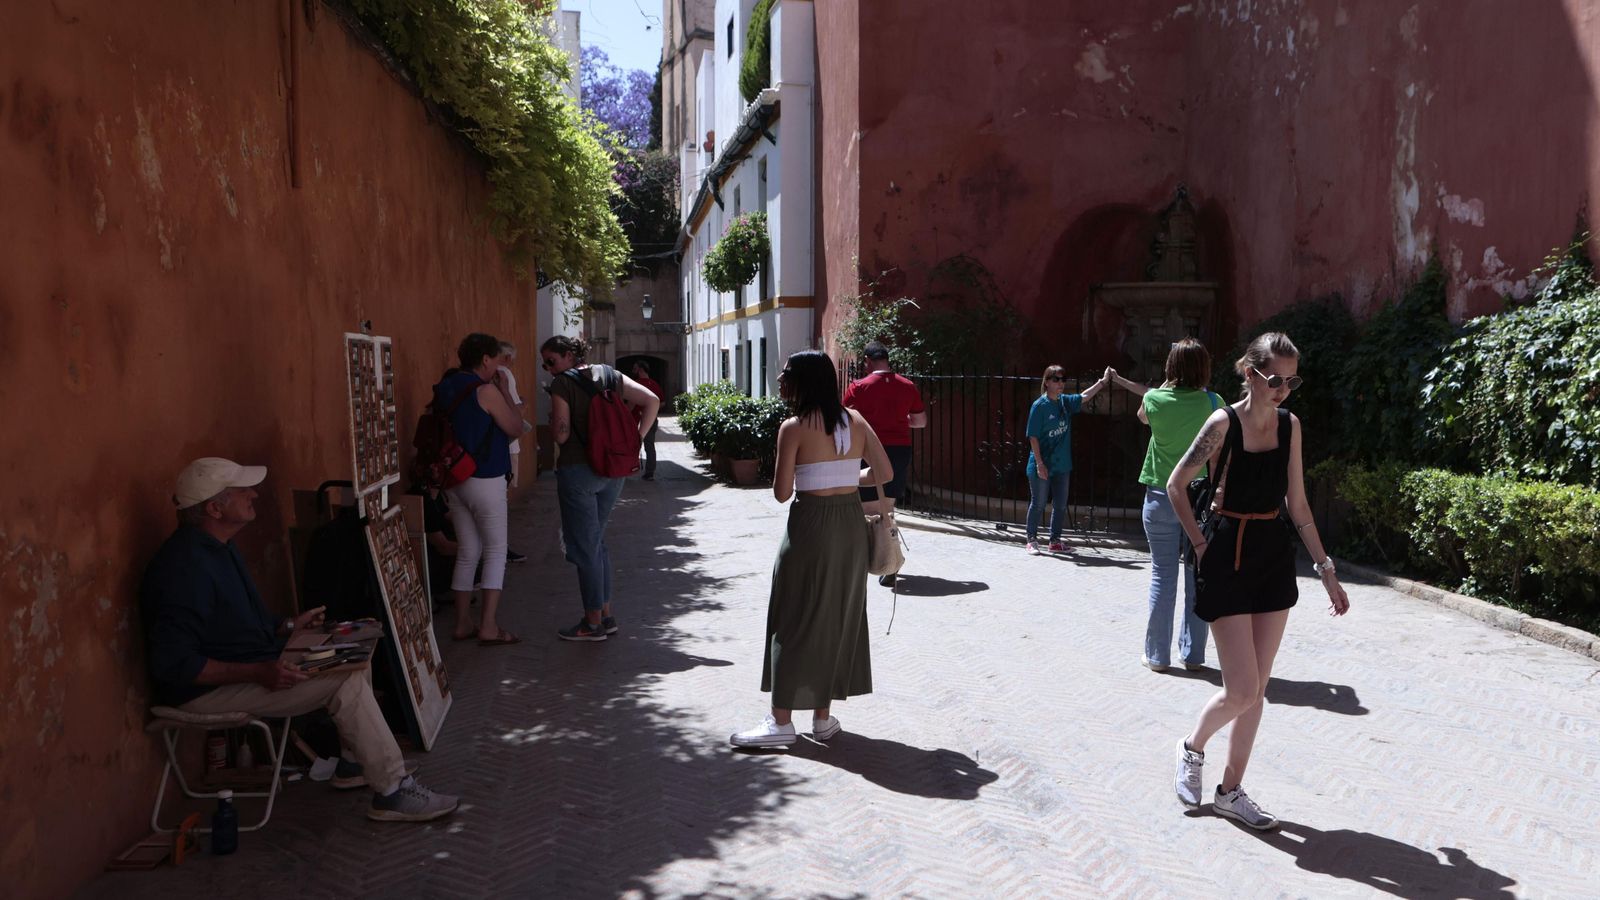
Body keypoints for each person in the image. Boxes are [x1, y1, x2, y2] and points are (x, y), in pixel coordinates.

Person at [140, 457, 458, 822]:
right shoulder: (183, 569)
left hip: (249, 665)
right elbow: (176, 665)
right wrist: (259, 672)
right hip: (201, 693)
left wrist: (288, 626)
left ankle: (354, 763)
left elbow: (234, 626)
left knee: (354, 653)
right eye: (243, 491)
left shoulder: (218, 547)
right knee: (346, 682)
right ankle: (392, 790)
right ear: (214, 507)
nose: (254, 495)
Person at [1166, 332, 1350, 831]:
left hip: (1271, 555)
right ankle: (1191, 747)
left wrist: (1326, 570)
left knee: (1259, 688)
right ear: (1250, 373)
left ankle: (1230, 791)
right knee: (1241, 689)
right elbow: (1176, 486)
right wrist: (1202, 547)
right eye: (1275, 379)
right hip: (1226, 551)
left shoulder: (1291, 427)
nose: (1283, 389)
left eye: (1292, 381)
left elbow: (1299, 504)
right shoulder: (1222, 423)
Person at [730, 350, 894, 749]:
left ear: (804, 380)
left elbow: (782, 493)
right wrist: (844, 473)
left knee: (793, 616)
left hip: (811, 528)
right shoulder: (855, 421)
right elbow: (885, 474)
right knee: (837, 614)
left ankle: (781, 721)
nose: (781, 378)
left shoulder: (794, 427)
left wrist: (814, 471)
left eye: (787, 373)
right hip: (850, 527)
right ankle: (822, 719)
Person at [1106, 339, 1223, 673]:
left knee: (1162, 575)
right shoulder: (1214, 403)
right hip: (1199, 501)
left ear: (1170, 367)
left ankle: (1157, 656)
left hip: (1160, 497)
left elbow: (1143, 415)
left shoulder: (1155, 399)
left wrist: (1166, 384)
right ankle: (1194, 655)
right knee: (1196, 576)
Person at [541, 336, 661, 641]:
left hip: (578, 471)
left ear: (568, 356)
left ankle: (592, 622)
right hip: (613, 470)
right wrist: (635, 440)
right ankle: (606, 616)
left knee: (584, 547)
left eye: (551, 361)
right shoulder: (609, 374)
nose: (548, 368)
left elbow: (562, 436)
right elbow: (652, 401)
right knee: (598, 543)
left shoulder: (561, 385)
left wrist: (554, 419)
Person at [436, 333, 526, 645]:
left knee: (468, 550)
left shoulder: (447, 386)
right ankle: (488, 626)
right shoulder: (486, 390)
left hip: (454, 479)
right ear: (486, 359)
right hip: (485, 477)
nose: (499, 366)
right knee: (496, 551)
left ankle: (462, 623)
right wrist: (505, 393)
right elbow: (516, 428)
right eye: (497, 360)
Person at [842, 340, 927, 587]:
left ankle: (874, 559)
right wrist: (899, 421)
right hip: (900, 449)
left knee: (868, 510)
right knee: (887, 507)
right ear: (887, 360)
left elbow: (845, 422)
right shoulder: (907, 386)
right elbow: (920, 421)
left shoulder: (858, 387)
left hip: (868, 449)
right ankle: (890, 559)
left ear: (868, 361)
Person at [1023, 365, 1109, 553]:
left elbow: (1084, 397)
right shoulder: (1039, 406)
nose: (1061, 383)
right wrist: (1039, 464)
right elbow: (1033, 437)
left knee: (1060, 505)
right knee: (1038, 503)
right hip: (1042, 463)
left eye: (1063, 380)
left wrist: (1102, 382)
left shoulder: (1064, 402)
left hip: (1062, 464)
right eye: (1056, 380)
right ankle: (1031, 539)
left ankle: (1055, 541)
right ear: (1047, 383)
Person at [496, 341, 528, 563]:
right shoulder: (504, 373)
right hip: (508, 443)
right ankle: (501, 548)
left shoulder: (493, 374)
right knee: (500, 500)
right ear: (506, 358)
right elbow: (516, 411)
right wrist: (523, 404)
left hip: (499, 443)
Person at [630, 361, 667, 480]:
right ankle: (650, 472)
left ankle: (630, 468)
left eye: (635, 368)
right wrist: (651, 409)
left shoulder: (636, 384)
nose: (633, 371)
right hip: (651, 419)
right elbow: (662, 403)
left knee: (632, 445)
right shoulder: (655, 385)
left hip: (636, 419)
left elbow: (631, 404)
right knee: (650, 446)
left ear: (640, 369)